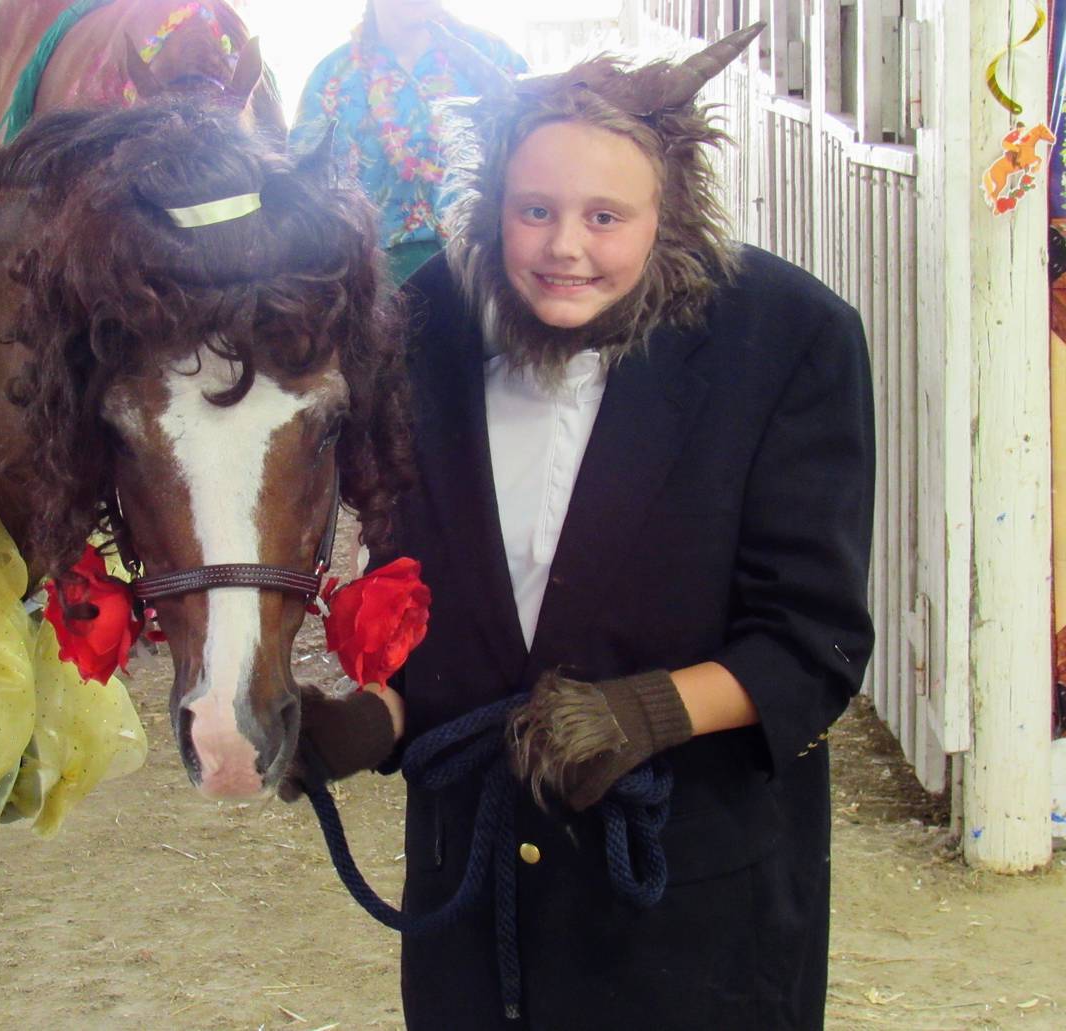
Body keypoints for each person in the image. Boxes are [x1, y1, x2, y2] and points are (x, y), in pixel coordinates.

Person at [294, 24, 876, 1029]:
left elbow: (812, 640)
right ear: (492, 209)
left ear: (673, 212)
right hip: (476, 915)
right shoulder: (419, 332)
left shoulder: (788, 341)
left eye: (606, 215)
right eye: (535, 211)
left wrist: (644, 713)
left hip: (689, 913)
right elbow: (423, 611)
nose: (565, 246)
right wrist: (363, 722)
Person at [290, 0, 526, 285]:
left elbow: (540, 162)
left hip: (487, 272)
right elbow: (305, 197)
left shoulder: (494, 58)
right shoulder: (331, 78)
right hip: (375, 282)